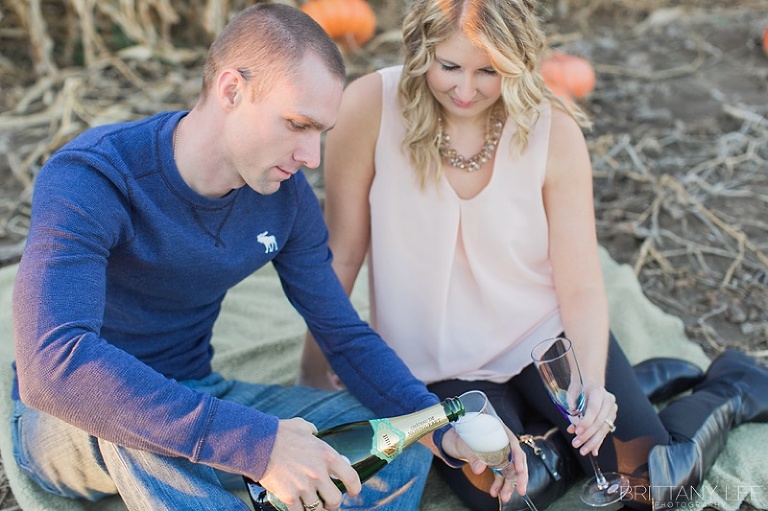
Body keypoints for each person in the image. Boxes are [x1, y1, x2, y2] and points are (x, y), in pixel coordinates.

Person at [10, 5, 531, 511]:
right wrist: (258, 445)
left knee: (395, 442)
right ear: (231, 90)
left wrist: (436, 425)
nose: (312, 157)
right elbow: (53, 365)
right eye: (297, 125)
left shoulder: (287, 199)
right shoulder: (94, 177)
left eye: (320, 133)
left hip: (199, 390)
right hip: (63, 422)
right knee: (136, 423)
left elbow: (342, 334)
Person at [297, 0, 768, 509]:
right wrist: (313, 373)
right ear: (421, 50)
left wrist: (592, 384)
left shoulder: (553, 129)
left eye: (488, 71)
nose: (464, 88)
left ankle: (734, 388)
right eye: (449, 66)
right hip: (437, 361)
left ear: (518, 60)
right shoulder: (370, 107)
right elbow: (342, 253)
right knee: (508, 497)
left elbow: (580, 282)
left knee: (651, 486)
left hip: (546, 341)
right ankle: (634, 387)